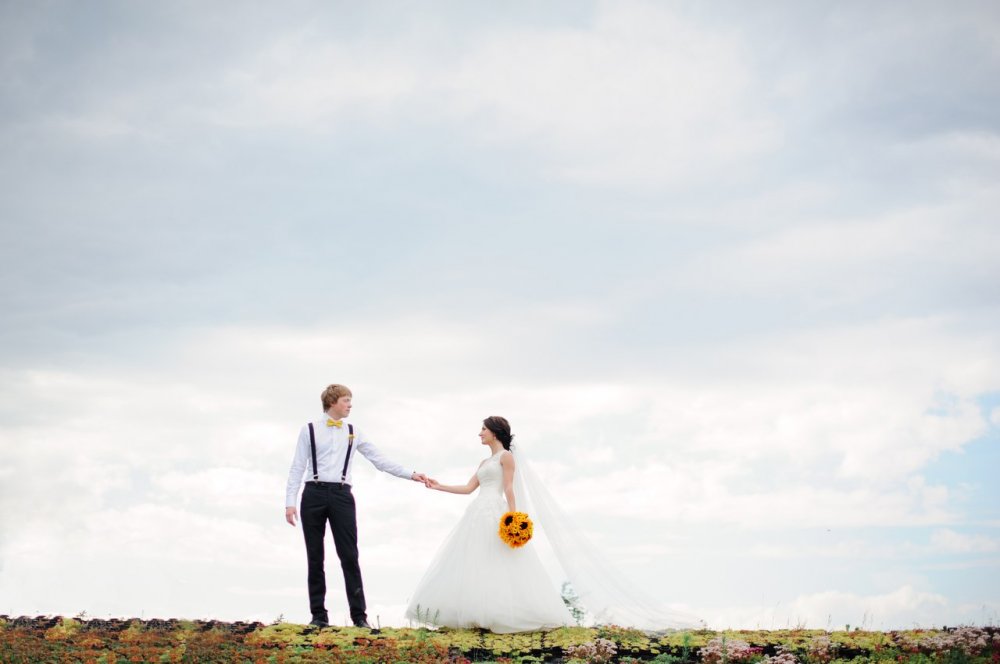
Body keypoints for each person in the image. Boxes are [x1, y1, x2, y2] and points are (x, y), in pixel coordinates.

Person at [404, 416, 573, 633]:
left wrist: (513, 518)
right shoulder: (484, 463)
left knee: (499, 559)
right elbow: (468, 488)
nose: (480, 433)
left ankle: (506, 613)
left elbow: (509, 488)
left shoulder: (507, 457)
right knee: (475, 559)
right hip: (477, 512)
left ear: (495, 432)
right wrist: (439, 486)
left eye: (483, 429)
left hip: (495, 511)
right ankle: (477, 613)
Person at [285, 384, 430, 629]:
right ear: (332, 402)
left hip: (342, 496)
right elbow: (297, 466)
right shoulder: (308, 430)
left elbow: (379, 460)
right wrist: (290, 502)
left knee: (350, 556)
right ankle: (318, 616)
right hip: (313, 493)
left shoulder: (354, 431)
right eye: (346, 400)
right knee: (315, 556)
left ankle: (359, 616)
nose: (350, 405)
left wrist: (411, 474)